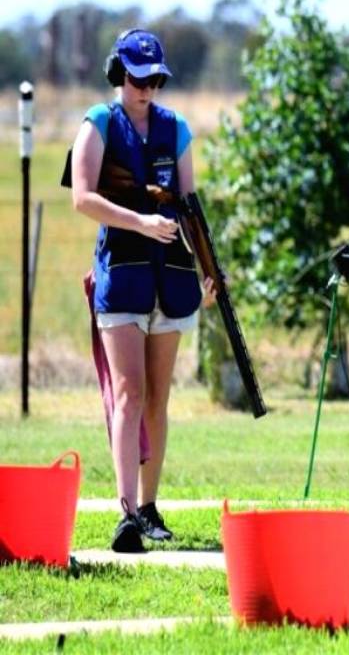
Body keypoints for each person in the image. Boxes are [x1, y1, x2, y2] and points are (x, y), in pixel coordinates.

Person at [70, 29, 213, 553]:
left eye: (154, 78)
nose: (145, 87)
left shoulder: (175, 129)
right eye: (136, 77)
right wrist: (141, 221)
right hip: (123, 277)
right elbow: (83, 199)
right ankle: (126, 513)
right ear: (118, 73)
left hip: (171, 280)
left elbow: (190, 203)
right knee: (128, 392)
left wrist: (208, 273)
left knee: (158, 396)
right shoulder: (98, 123)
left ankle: (151, 508)